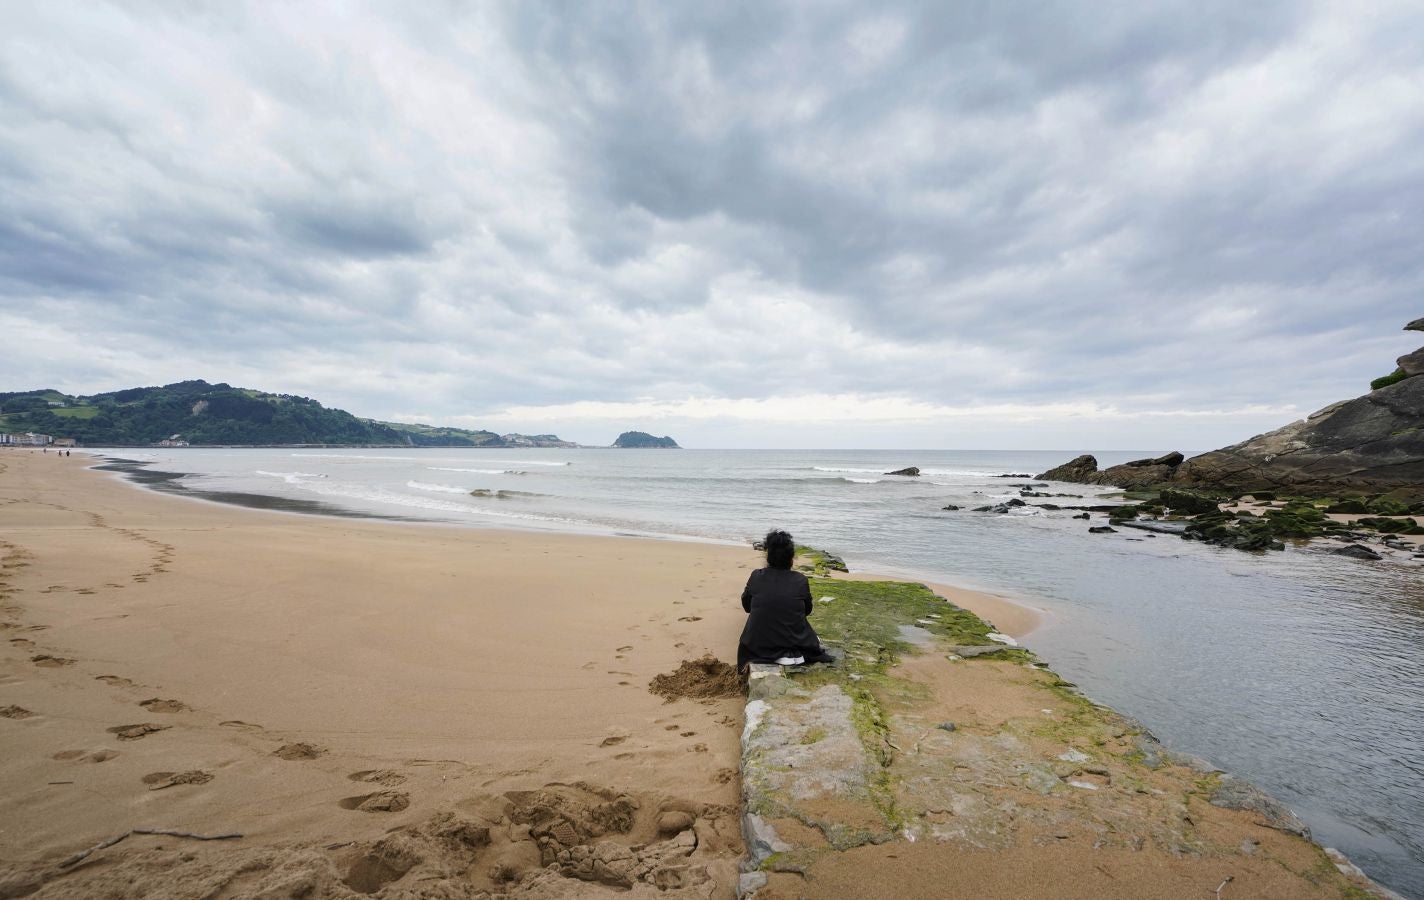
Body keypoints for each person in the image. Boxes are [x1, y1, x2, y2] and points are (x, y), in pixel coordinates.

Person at [737, 529, 834, 671]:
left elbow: (747, 607)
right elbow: (807, 610)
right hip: (794, 641)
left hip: (759, 644)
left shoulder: (756, 576)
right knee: (807, 634)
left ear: (768, 557)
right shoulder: (800, 580)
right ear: (791, 558)